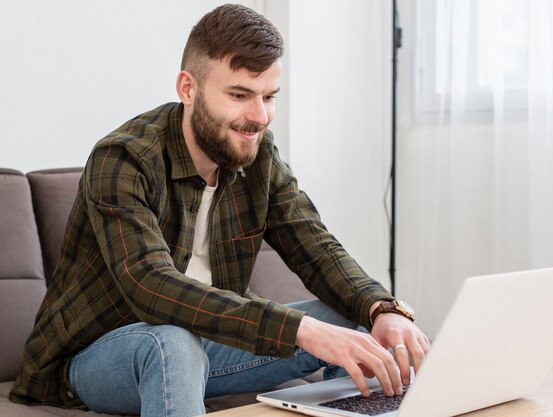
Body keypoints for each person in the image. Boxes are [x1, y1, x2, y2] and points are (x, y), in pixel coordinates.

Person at [10, 4, 430, 417]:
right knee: (171, 343)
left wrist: (382, 307)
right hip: (101, 358)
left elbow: (315, 245)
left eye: (269, 96)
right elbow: (151, 287)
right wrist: (299, 329)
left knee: (351, 317)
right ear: (187, 88)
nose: (259, 116)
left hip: (207, 346)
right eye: (239, 95)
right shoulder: (123, 159)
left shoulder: (258, 154)